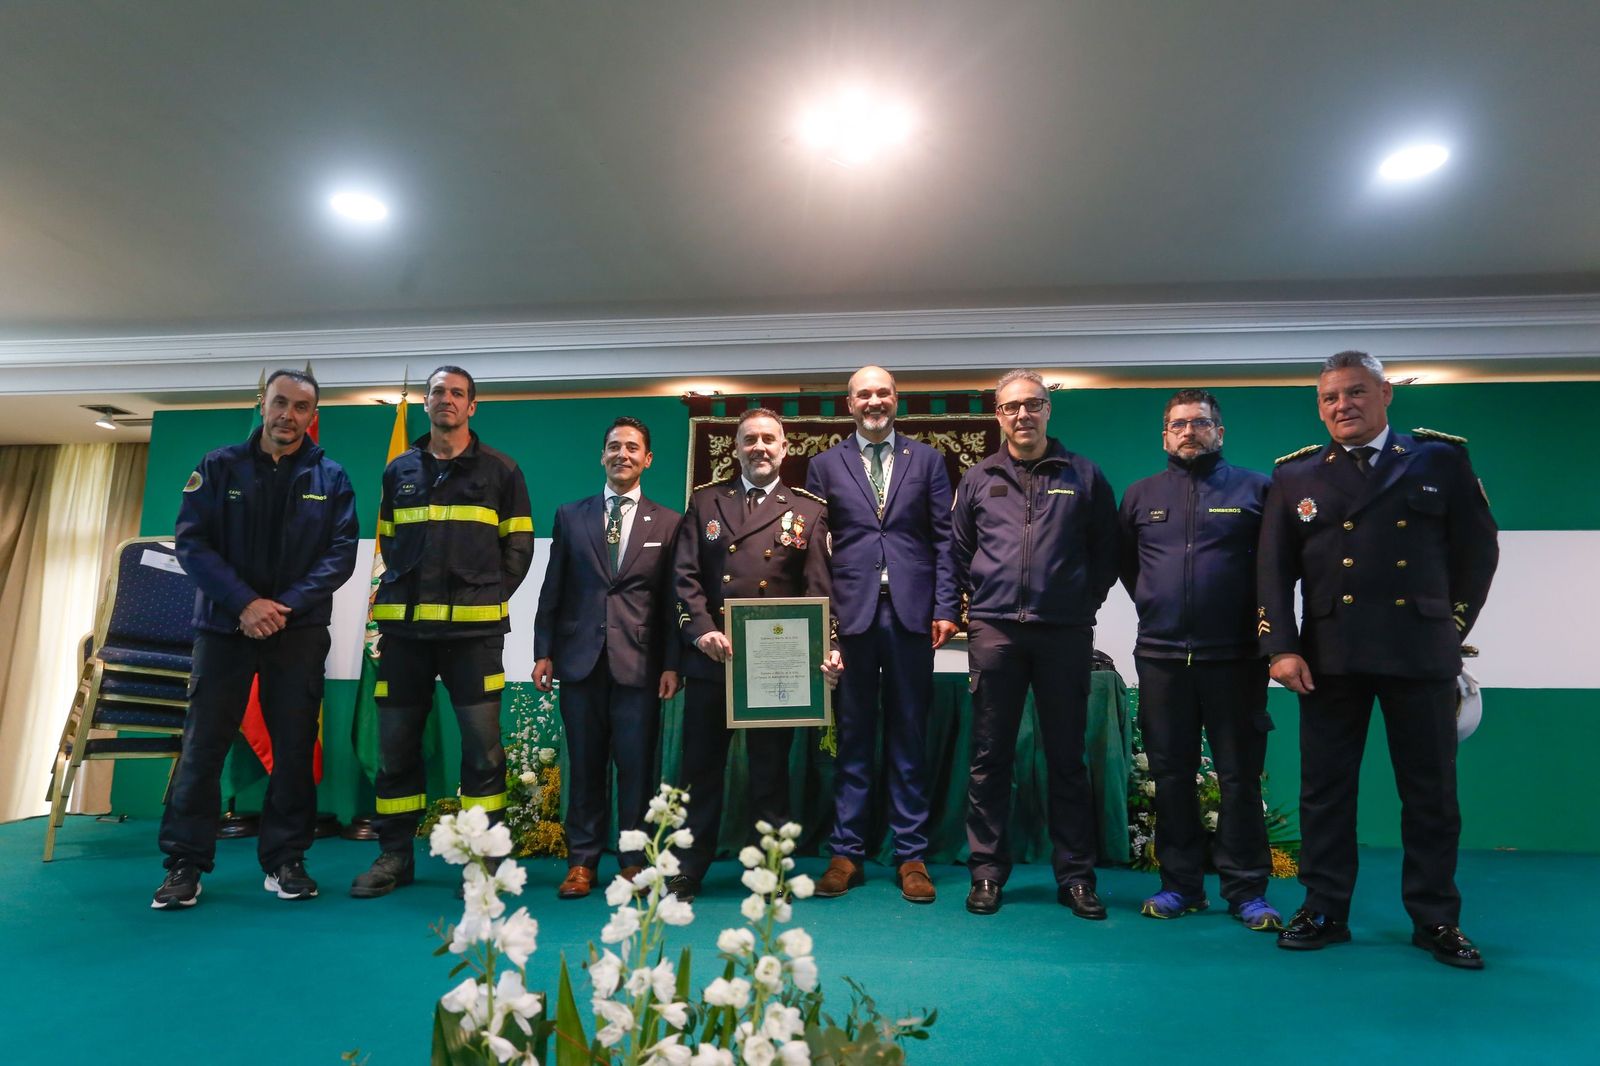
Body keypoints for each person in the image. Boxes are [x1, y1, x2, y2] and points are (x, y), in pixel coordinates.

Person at [1258, 350, 1498, 968]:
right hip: (1331, 656)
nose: (1344, 406)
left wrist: (1452, 627)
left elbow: (1478, 551)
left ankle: (1437, 919)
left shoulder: (1439, 459)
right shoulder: (1296, 476)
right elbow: (1272, 571)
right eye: (1331, 397)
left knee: (1432, 795)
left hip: (1419, 652)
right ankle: (1324, 908)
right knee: (1325, 792)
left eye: (1357, 392)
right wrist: (1280, 646)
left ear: (1386, 394)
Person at [153, 369, 358, 909]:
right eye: (280, 403)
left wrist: (280, 607)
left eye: (301, 407)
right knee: (203, 747)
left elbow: (340, 556)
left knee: (294, 749)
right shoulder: (218, 467)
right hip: (224, 628)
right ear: (261, 404)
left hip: (298, 631)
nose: (288, 415)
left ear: (313, 416)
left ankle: (286, 860)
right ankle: (185, 865)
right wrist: (245, 604)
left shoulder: (332, 478)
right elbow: (192, 544)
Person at [351, 365, 535, 898]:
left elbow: (518, 546)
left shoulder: (502, 470)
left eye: (457, 393)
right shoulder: (398, 471)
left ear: (472, 406)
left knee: (482, 752)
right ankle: (394, 856)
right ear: (427, 403)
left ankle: (484, 862)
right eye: (438, 392)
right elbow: (387, 542)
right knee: (395, 750)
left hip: (474, 640)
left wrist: (486, 597)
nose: (446, 400)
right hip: (405, 637)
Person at [952, 369, 1119, 918]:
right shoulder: (978, 479)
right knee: (989, 756)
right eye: (1011, 407)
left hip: (1063, 633)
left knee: (1066, 759)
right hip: (995, 631)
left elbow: (1106, 554)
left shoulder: (1085, 476)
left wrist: (1079, 606)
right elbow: (958, 554)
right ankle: (987, 873)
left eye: (1033, 405)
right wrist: (975, 612)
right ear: (998, 416)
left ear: (1049, 410)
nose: (1022, 415)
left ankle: (1075, 876)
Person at [1118, 388, 1280, 930]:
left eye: (1200, 423)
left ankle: (1246, 892)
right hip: (1161, 658)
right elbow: (1127, 566)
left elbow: (1277, 572)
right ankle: (1180, 886)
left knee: (1239, 777)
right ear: (1164, 434)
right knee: (1171, 776)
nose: (1189, 432)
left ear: (1220, 432)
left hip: (1236, 659)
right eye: (1178, 424)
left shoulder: (1258, 490)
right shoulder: (1141, 496)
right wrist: (1155, 603)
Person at [668, 407, 841, 901]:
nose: (759, 447)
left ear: (784, 449)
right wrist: (700, 630)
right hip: (713, 659)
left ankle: (770, 870)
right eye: (749, 440)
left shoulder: (807, 510)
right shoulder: (705, 503)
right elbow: (683, 580)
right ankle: (687, 868)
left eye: (769, 440)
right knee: (699, 771)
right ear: (736, 448)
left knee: (770, 773)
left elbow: (818, 590)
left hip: (775, 667)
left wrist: (828, 647)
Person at [804, 366, 957, 904]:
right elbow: (817, 551)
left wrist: (945, 606)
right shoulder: (823, 465)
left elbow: (944, 539)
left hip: (912, 616)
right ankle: (847, 851)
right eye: (864, 393)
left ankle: (911, 854)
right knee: (852, 736)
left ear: (897, 400)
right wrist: (825, 624)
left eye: (883, 393)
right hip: (851, 618)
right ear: (849, 403)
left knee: (909, 735)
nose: (874, 401)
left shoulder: (929, 460)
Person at [533, 416, 683, 899]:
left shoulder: (669, 522)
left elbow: (671, 602)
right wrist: (543, 652)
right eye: (614, 446)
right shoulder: (570, 515)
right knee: (586, 765)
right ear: (602, 455)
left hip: (640, 666)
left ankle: (634, 861)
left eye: (633, 447)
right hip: (578, 662)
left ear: (647, 459)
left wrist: (671, 662)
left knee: (637, 769)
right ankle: (582, 862)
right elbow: (552, 587)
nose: (623, 454)